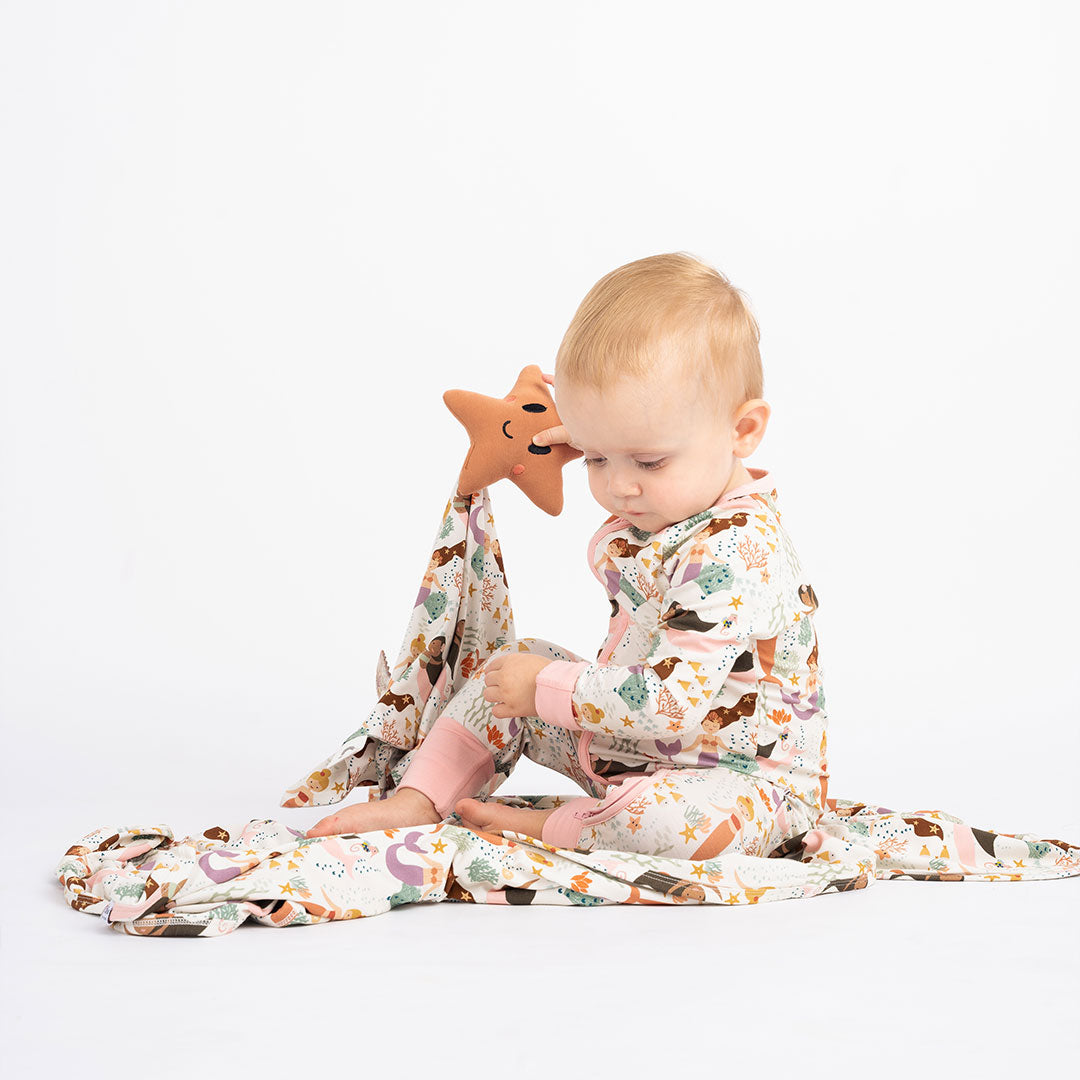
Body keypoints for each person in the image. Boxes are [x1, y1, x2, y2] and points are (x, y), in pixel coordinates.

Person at [304, 251, 827, 862]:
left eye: (648, 460)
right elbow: (610, 436)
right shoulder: (669, 503)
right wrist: (573, 432)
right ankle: (421, 798)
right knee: (513, 664)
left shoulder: (737, 549)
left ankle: (554, 828)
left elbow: (672, 702)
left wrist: (551, 689)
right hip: (627, 749)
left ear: (742, 431)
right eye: (596, 457)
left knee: (673, 827)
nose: (618, 487)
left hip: (738, 784)